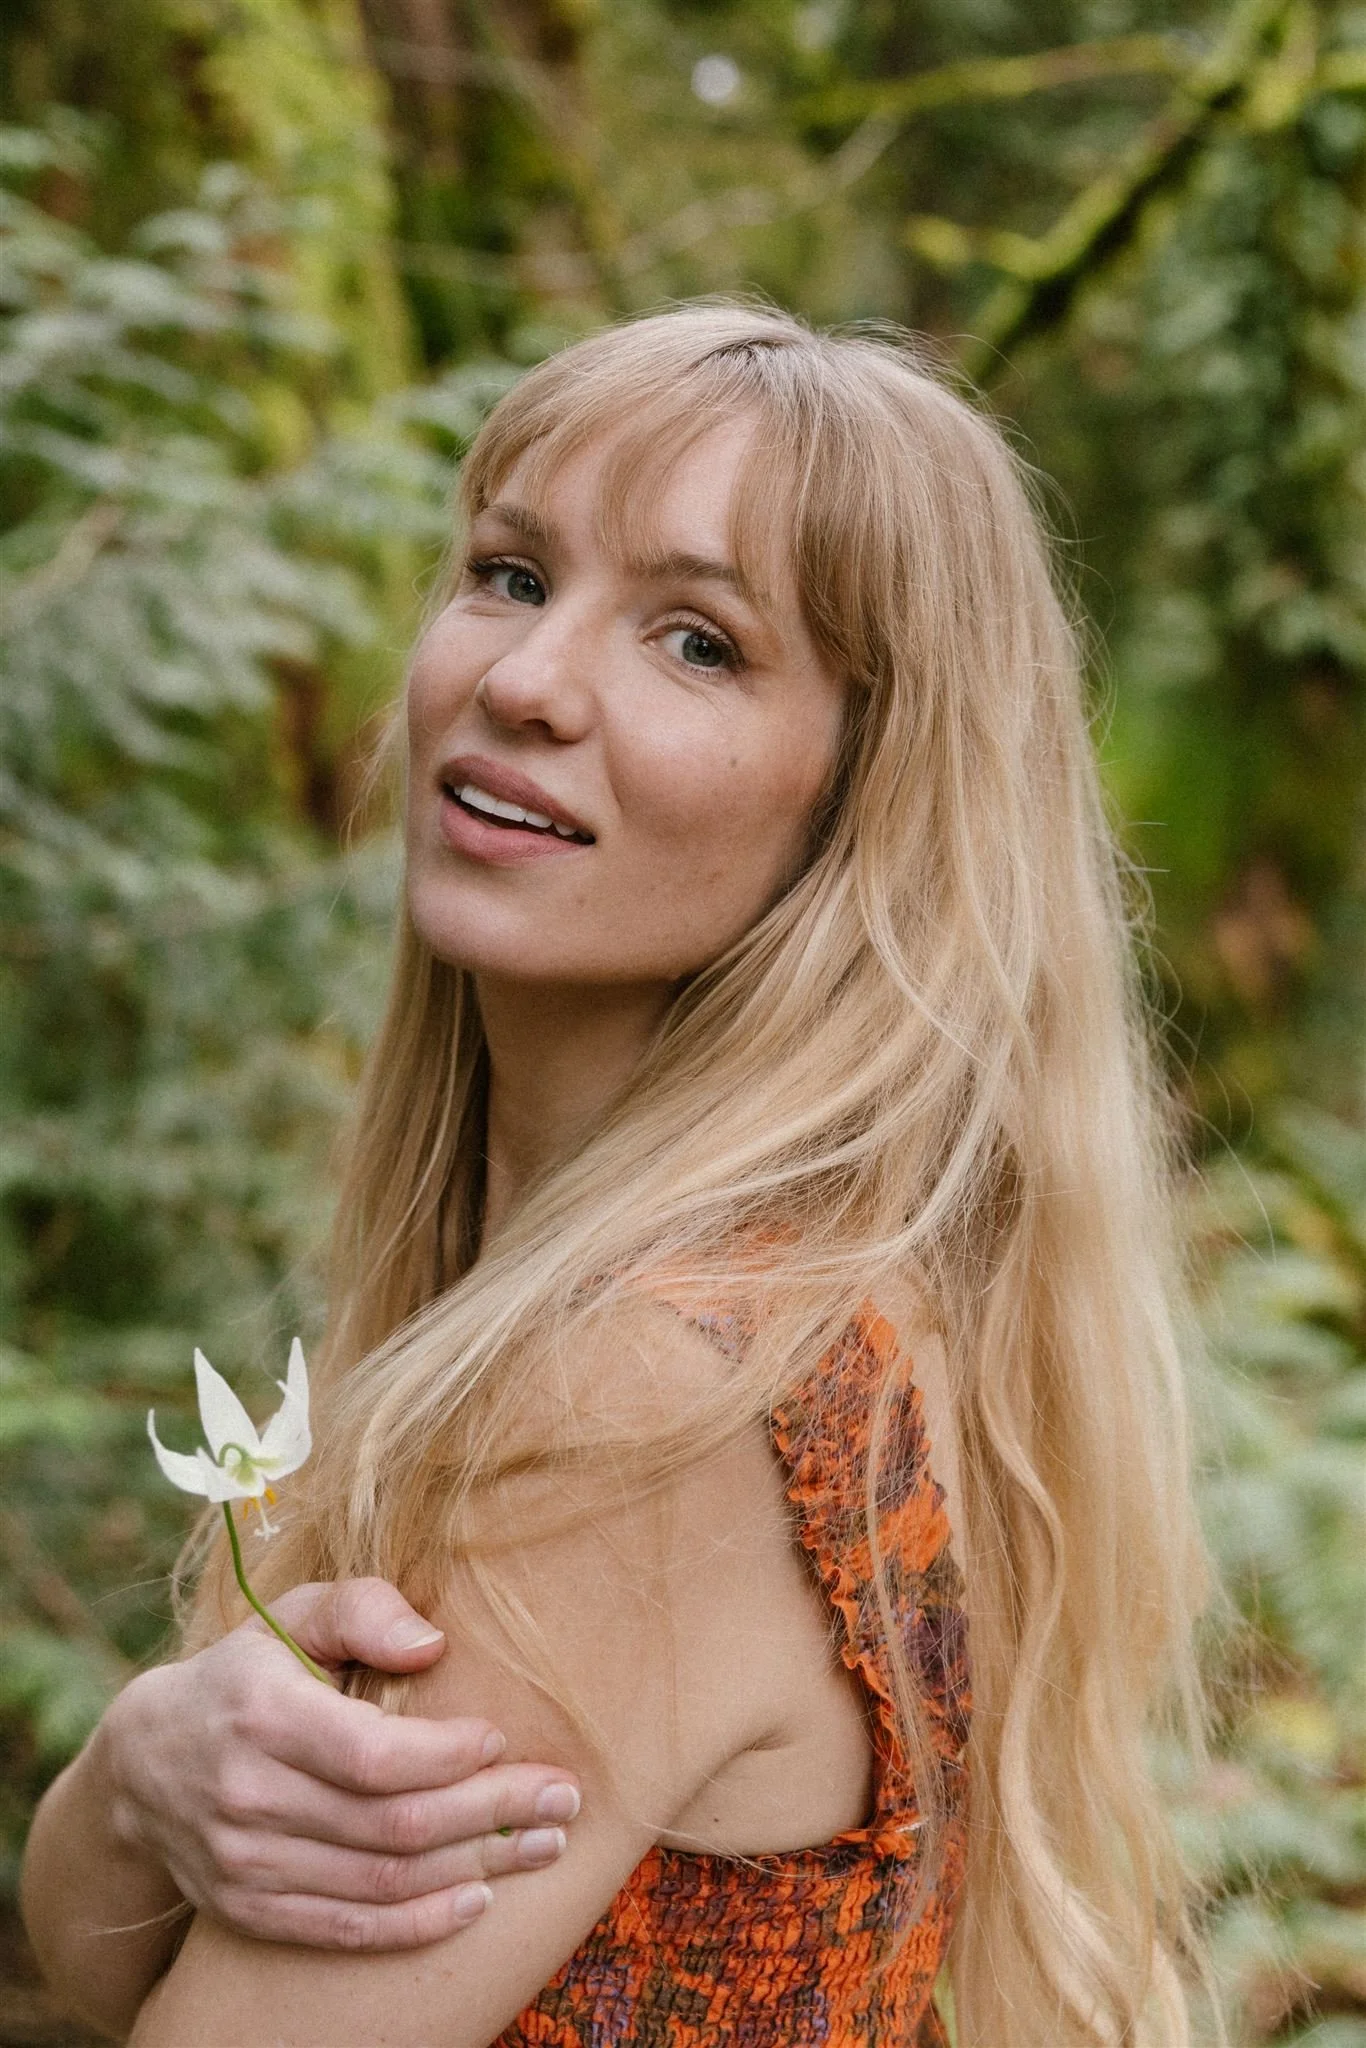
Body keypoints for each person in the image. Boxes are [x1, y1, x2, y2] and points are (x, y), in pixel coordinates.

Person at [20, 302, 1212, 2046]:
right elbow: (118, 1962)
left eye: (696, 642)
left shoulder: (647, 1399)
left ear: (858, 802)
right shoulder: (786, 1305)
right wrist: (132, 1779)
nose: (522, 680)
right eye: (509, 574)